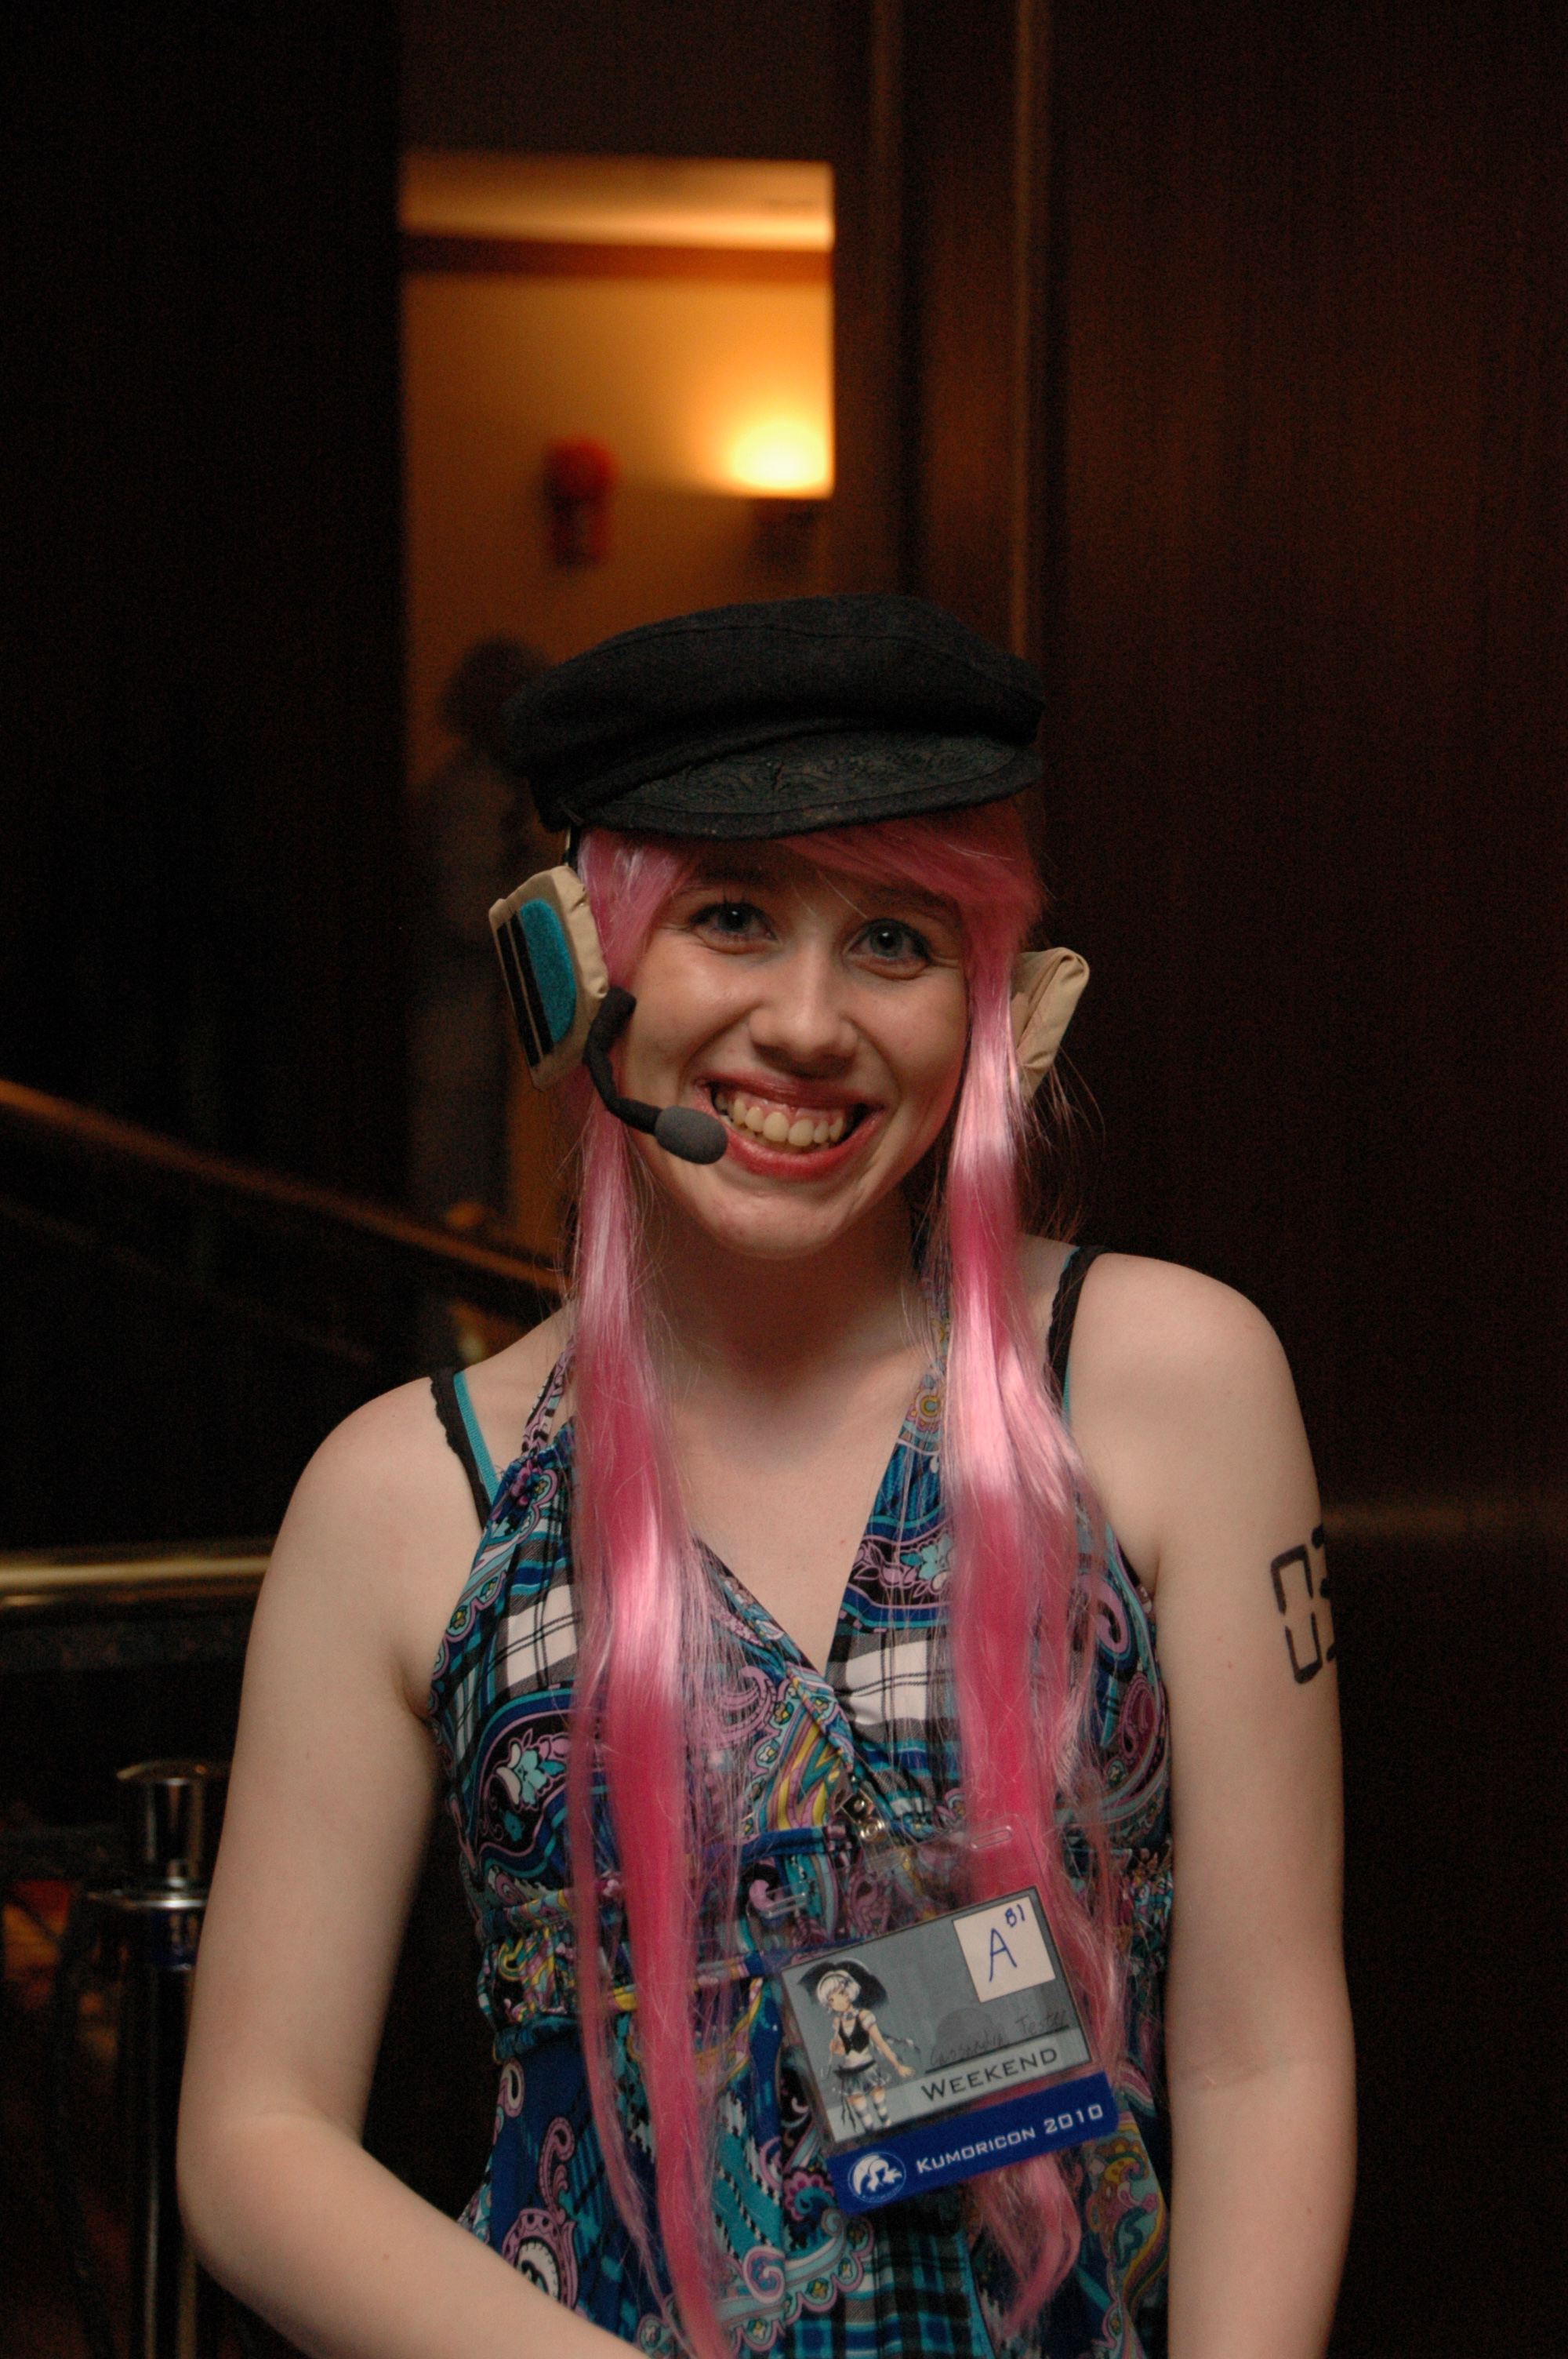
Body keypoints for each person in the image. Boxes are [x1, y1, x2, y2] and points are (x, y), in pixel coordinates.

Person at [179, 596, 1354, 2359]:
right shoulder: (410, 1494)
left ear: (998, 1009)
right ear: (575, 965)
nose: (807, 1022)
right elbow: (253, 2140)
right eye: (730, 916)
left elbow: (1266, 2055)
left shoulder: (1166, 1385)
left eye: (893, 939)